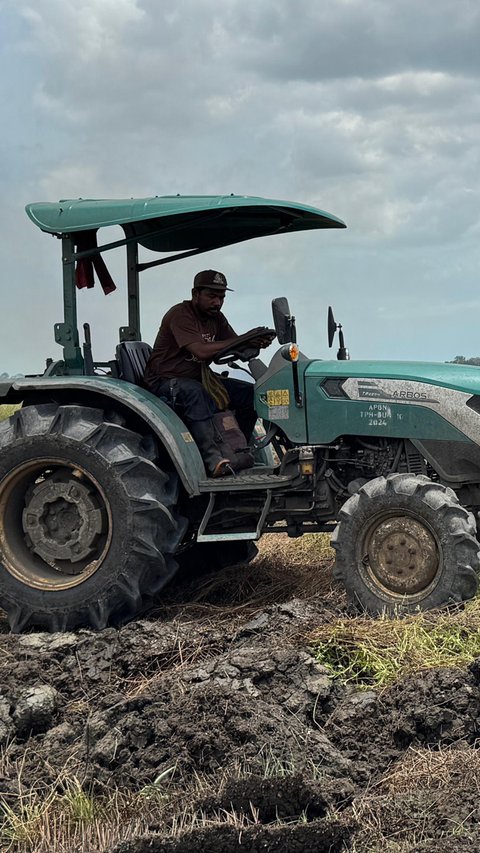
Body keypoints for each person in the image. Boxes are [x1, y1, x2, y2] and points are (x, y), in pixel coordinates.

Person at [143, 269, 274, 477]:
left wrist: (255, 341)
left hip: (196, 378)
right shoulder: (180, 314)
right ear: (195, 294)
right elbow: (201, 351)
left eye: (221, 297)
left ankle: (238, 450)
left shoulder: (216, 318)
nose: (217, 302)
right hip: (164, 381)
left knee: (250, 394)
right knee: (195, 392)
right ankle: (213, 459)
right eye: (211, 296)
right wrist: (245, 338)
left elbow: (233, 345)